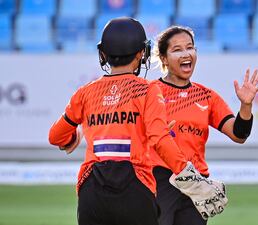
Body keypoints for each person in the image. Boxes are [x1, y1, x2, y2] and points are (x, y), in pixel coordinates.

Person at [48, 17, 226, 225]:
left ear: (103, 54)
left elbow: (55, 136)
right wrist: (189, 177)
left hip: (92, 191)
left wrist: (71, 136)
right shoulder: (147, 90)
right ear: (142, 53)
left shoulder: (86, 93)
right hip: (136, 187)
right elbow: (159, 139)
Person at [150, 26, 258, 225]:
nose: (186, 54)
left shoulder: (206, 96)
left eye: (190, 48)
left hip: (195, 183)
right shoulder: (151, 92)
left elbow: (239, 134)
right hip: (160, 179)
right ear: (164, 59)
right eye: (177, 50)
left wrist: (246, 105)